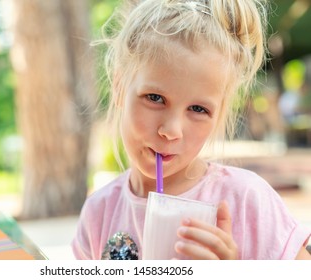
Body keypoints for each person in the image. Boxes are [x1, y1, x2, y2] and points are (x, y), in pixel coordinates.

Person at [72, 0, 311, 260]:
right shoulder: (99, 213)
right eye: (155, 98)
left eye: (198, 109)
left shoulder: (246, 202)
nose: (171, 131)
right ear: (119, 87)